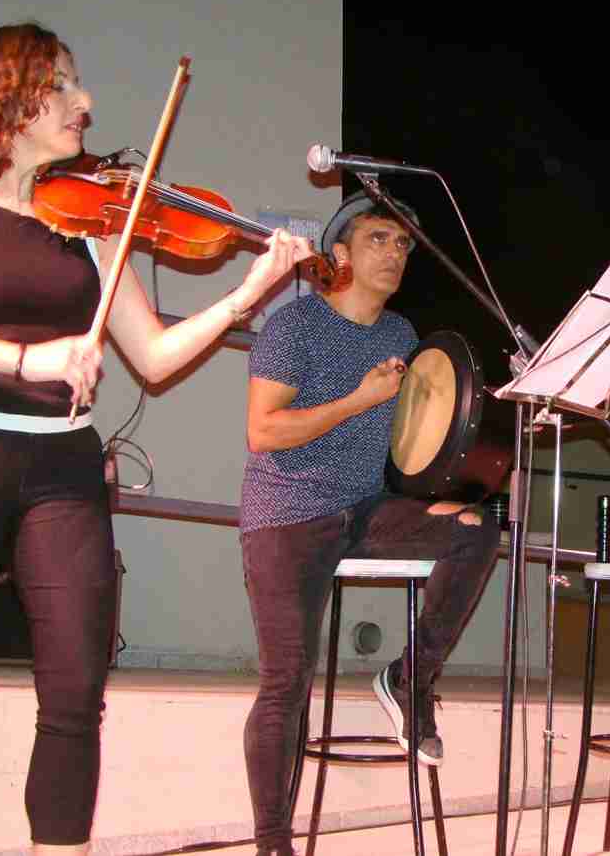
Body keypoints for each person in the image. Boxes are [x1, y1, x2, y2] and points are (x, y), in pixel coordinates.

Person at [0, 23, 309, 856]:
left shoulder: (93, 223)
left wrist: (248, 293)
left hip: (64, 466)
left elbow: (157, 356)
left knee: (74, 694)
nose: (84, 102)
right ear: (7, 99)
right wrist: (25, 356)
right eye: (62, 84)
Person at [239, 190, 501, 856]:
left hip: (364, 506)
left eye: (404, 244)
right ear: (341, 255)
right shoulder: (294, 328)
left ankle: (410, 679)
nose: (395, 253)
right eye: (379, 240)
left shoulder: (402, 336)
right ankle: (274, 843)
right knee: (286, 681)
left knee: (475, 527)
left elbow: (410, 444)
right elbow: (264, 430)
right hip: (288, 512)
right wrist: (359, 398)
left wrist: (444, 491)